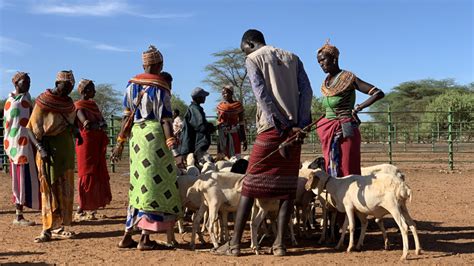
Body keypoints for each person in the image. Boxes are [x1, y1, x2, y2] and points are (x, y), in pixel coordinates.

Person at [213, 29, 312, 257]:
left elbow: (261, 94)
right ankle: (279, 244)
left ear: (249, 43)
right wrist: (301, 125)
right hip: (294, 130)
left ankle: (235, 244)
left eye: (243, 50)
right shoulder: (293, 57)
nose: (243, 54)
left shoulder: (253, 59)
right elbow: (306, 91)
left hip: (271, 129)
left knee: (250, 184)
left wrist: (283, 126)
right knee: (287, 187)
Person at [111, 45, 183, 250]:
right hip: (154, 140)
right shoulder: (161, 86)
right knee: (154, 187)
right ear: (159, 65)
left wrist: (119, 143)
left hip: (136, 138)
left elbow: (126, 117)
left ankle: (126, 236)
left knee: (138, 187)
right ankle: (145, 238)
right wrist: (174, 150)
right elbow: (166, 120)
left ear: (144, 64)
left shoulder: (130, 85)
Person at [316, 40, 384, 177]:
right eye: (319, 62)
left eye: (323, 60)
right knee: (331, 165)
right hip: (328, 130)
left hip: (345, 129)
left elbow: (378, 93)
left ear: (334, 59)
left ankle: (349, 197)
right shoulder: (326, 82)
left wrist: (358, 107)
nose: (321, 64)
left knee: (346, 167)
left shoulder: (348, 79)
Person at [27, 70, 81, 242]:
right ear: (57, 83)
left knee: (64, 189)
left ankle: (59, 227)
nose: (67, 90)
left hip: (65, 150)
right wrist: (40, 148)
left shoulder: (69, 103)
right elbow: (29, 129)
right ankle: (46, 229)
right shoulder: (44, 101)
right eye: (65, 86)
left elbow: (72, 123)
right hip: (48, 149)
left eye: (70, 87)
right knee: (48, 189)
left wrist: (75, 130)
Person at [3, 72, 40, 226]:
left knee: (25, 177)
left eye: (30, 81)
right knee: (20, 178)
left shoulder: (25, 99)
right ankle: (18, 215)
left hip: (24, 144)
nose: (28, 84)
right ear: (16, 83)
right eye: (25, 81)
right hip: (17, 145)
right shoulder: (12, 101)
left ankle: (21, 213)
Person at [74, 79, 112, 220]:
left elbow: (104, 124)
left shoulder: (93, 106)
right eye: (91, 89)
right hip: (85, 144)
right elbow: (87, 125)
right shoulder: (78, 106)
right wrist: (98, 125)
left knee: (96, 173)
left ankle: (92, 206)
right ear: (84, 91)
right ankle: (81, 206)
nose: (94, 92)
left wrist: (99, 125)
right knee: (87, 173)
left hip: (96, 143)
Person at [178, 87, 215, 164]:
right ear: (198, 98)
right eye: (203, 96)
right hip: (193, 146)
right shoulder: (195, 109)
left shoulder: (195, 108)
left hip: (193, 145)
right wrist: (210, 127)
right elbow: (200, 126)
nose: (205, 98)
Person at [216, 85, 247, 161]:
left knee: (236, 156)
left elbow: (241, 122)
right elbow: (218, 122)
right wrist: (219, 137)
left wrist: (244, 139)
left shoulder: (238, 105)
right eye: (223, 93)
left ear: (231, 93)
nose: (224, 95)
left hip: (234, 133)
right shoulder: (220, 106)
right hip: (223, 134)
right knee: (224, 156)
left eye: (226, 93)